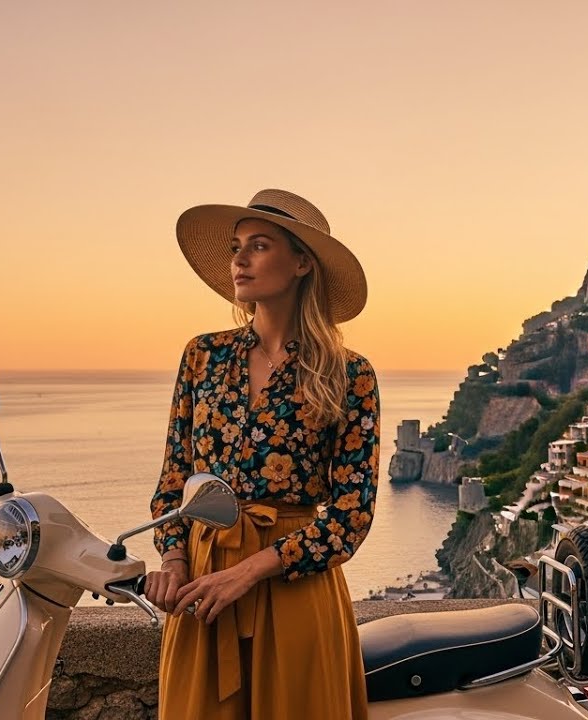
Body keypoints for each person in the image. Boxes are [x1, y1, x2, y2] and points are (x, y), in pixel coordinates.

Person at [144, 188, 380, 719]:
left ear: (301, 262)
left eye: (259, 245)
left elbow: (351, 517)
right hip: (204, 590)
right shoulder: (202, 356)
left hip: (296, 592)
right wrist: (174, 558)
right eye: (236, 247)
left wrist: (249, 571)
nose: (239, 260)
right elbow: (173, 479)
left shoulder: (349, 374)